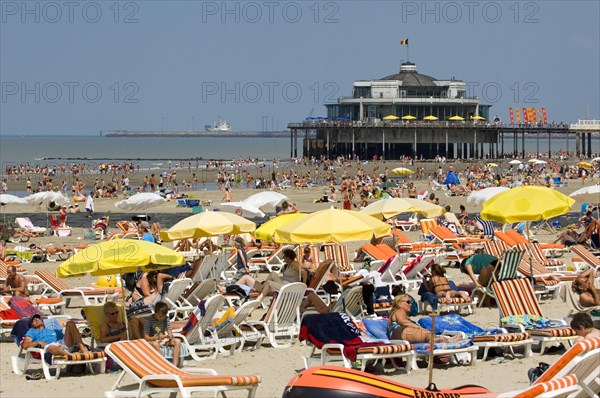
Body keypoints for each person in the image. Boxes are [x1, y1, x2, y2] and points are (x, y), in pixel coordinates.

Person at [387, 294, 462, 344]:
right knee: (425, 334)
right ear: (399, 303)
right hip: (399, 333)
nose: (410, 304)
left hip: (399, 334)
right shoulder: (399, 310)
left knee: (427, 334)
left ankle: (446, 340)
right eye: (408, 302)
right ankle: (442, 340)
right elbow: (402, 322)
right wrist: (418, 327)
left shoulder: (396, 312)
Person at [22, 314, 89, 355]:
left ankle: (82, 349)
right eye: (33, 320)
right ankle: (68, 354)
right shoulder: (32, 331)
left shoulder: (51, 328)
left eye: (37, 318)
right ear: (31, 325)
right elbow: (25, 345)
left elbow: (64, 337)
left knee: (70, 323)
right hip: (49, 345)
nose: (36, 320)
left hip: (62, 342)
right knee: (51, 348)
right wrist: (37, 342)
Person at [144, 301, 181, 367]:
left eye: (163, 316)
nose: (162, 318)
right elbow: (146, 337)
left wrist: (170, 336)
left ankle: (175, 365)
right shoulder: (149, 320)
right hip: (153, 340)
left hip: (163, 339)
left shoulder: (166, 319)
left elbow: (170, 331)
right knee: (155, 344)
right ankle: (163, 364)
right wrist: (157, 337)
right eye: (160, 316)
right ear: (155, 312)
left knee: (177, 341)